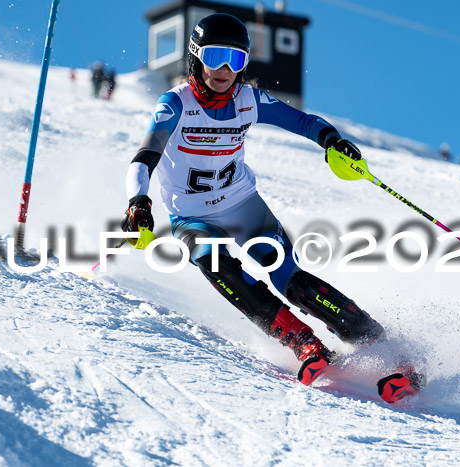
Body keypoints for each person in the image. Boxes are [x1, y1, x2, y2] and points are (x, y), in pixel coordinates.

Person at [121, 13, 385, 386]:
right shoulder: (174, 103)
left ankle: (376, 340)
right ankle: (303, 342)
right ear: (196, 57)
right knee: (214, 262)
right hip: (192, 216)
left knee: (290, 278)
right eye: (214, 57)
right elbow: (144, 158)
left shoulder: (249, 99)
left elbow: (304, 121)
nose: (224, 69)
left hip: (243, 204)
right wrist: (138, 201)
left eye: (236, 59)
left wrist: (332, 141)